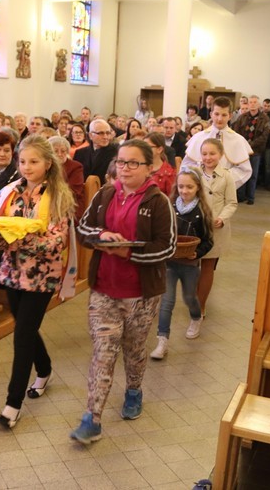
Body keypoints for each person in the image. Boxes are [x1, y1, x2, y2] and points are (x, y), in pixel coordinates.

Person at [72, 139, 176, 444]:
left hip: (141, 293)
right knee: (103, 353)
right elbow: (83, 229)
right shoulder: (105, 194)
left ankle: (133, 390)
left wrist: (127, 253)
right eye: (121, 162)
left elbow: (167, 247)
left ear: (148, 167)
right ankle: (92, 418)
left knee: (133, 349)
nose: (125, 168)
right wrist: (103, 234)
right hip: (104, 290)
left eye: (133, 163)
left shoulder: (158, 202)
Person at [0, 135, 76, 429]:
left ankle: (12, 404)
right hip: (12, 271)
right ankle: (45, 369)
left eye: (34, 162)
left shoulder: (59, 196)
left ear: (48, 163)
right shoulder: (11, 192)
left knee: (22, 335)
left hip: (41, 275)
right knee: (25, 327)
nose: (26, 167)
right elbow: (0, 228)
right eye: (23, 161)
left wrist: (20, 240)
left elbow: (56, 241)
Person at [151, 166, 213, 359]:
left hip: (190, 265)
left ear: (198, 188)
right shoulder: (170, 206)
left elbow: (208, 241)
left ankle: (196, 316)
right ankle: (162, 341)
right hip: (169, 262)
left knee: (189, 297)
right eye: (181, 187)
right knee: (167, 302)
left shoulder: (202, 212)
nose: (184, 191)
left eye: (189, 187)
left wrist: (197, 253)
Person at [196, 138, 238, 316]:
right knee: (191, 266)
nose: (208, 157)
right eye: (204, 153)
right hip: (195, 226)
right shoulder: (194, 173)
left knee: (207, 266)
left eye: (212, 153)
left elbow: (232, 203)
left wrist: (222, 218)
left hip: (215, 229)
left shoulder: (227, 176)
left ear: (220, 154)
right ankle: (192, 298)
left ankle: (200, 305)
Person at [183, 97, 253, 191]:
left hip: (224, 189)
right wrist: (202, 178)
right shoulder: (198, 137)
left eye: (224, 115)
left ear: (230, 116)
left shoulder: (238, 140)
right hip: (200, 187)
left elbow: (244, 170)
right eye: (216, 114)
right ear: (211, 114)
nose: (220, 118)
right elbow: (187, 164)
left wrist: (223, 179)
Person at [233, 95, 270, 204]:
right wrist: (243, 145)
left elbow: (264, 136)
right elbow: (236, 132)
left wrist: (250, 145)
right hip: (242, 150)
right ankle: (240, 196)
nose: (253, 104)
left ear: (258, 105)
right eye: (250, 102)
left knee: (253, 174)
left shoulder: (265, 118)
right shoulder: (242, 117)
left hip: (256, 150)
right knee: (241, 172)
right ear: (248, 104)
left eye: (255, 102)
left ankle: (250, 197)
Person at [48, 136, 85, 221]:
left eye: (63, 151)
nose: (59, 154)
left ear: (67, 151)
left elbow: (74, 191)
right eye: (55, 151)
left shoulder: (76, 166)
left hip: (70, 205)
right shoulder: (46, 166)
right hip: (48, 202)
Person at [73, 119, 118, 184]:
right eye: (101, 133)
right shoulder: (80, 153)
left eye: (108, 133)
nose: (105, 137)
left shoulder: (116, 152)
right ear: (90, 135)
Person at [145, 132, 175, 197]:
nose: (144, 150)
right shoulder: (140, 167)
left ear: (159, 149)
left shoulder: (169, 174)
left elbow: (171, 198)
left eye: (148, 147)